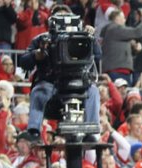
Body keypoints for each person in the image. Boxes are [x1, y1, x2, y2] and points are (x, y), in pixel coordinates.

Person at [18, 5, 99, 141]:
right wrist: (37, 55)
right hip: (50, 83)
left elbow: (97, 55)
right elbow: (24, 62)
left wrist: (91, 38)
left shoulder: (81, 36)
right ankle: (34, 131)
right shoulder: (42, 39)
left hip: (78, 81)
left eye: (66, 17)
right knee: (39, 91)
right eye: (60, 18)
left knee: (94, 91)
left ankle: (91, 133)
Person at [99, 1, 142, 84]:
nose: (125, 20)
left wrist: (135, 50)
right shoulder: (114, 29)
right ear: (117, 18)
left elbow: (122, 50)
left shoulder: (116, 32)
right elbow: (137, 32)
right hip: (116, 71)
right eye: (123, 18)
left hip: (121, 71)